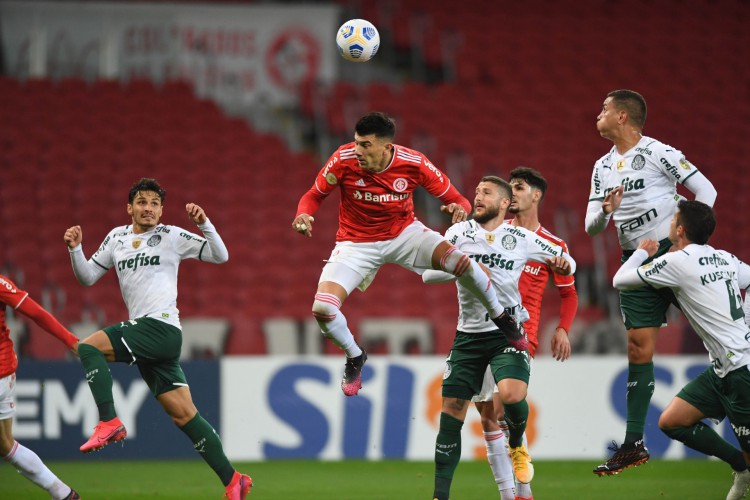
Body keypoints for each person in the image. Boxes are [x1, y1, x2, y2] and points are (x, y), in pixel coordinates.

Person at [292, 112, 526, 397]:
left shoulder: (413, 162)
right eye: (356, 143)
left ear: (386, 147)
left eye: (366, 145)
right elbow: (313, 195)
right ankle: (354, 355)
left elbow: (456, 198)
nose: (358, 151)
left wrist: (459, 208)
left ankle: (501, 317)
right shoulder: (343, 159)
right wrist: (303, 214)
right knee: (323, 309)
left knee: (461, 263)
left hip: (404, 234)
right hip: (355, 243)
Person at [63, 178, 251, 500]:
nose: (147, 208)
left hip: (161, 327)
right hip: (152, 340)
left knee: (89, 348)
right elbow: (87, 277)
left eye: (154, 203)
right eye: (141, 202)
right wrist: (75, 249)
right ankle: (233, 480)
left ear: (161, 210)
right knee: (183, 414)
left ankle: (109, 420)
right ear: (130, 208)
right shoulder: (116, 238)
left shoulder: (172, 236)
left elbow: (221, 256)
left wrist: (204, 223)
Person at [585, 89, 718, 475]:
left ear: (623, 116)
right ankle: (633, 444)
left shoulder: (659, 152)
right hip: (636, 258)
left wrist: (688, 242)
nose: (599, 113)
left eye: (605, 108)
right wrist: (606, 211)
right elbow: (592, 228)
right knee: (638, 348)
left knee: (718, 333)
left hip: (674, 251)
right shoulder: (601, 167)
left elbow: (706, 191)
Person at [422, 176, 576, 500]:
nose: (477, 196)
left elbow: (567, 264)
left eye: (486, 192)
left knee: (508, 398)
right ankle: (454, 495)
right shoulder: (459, 233)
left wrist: (565, 264)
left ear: (504, 203)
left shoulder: (519, 238)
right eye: (476, 191)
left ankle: (518, 448)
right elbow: (427, 271)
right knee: (459, 411)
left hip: (509, 330)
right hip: (469, 335)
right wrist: (466, 267)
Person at [612, 200, 750, 500]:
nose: (669, 222)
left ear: (680, 229)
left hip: (742, 373)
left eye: (673, 218)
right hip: (724, 369)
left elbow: (620, 280)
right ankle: (740, 466)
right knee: (672, 421)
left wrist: (642, 252)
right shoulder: (723, 258)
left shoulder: (676, 262)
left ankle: (745, 467)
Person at [471, 167, 579, 500]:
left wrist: (562, 327)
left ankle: (524, 490)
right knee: (488, 417)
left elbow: (569, 293)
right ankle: (512, 494)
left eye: (519, 187)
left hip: (519, 334)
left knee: (505, 408)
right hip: (479, 331)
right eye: (510, 187)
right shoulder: (493, 232)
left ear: (536, 196)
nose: (512, 193)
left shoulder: (550, 244)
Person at [0, 274, 81, 499]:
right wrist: (69, 340)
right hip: (6, 373)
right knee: (5, 445)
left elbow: (35, 312)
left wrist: (69, 340)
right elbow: (35, 312)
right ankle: (63, 493)